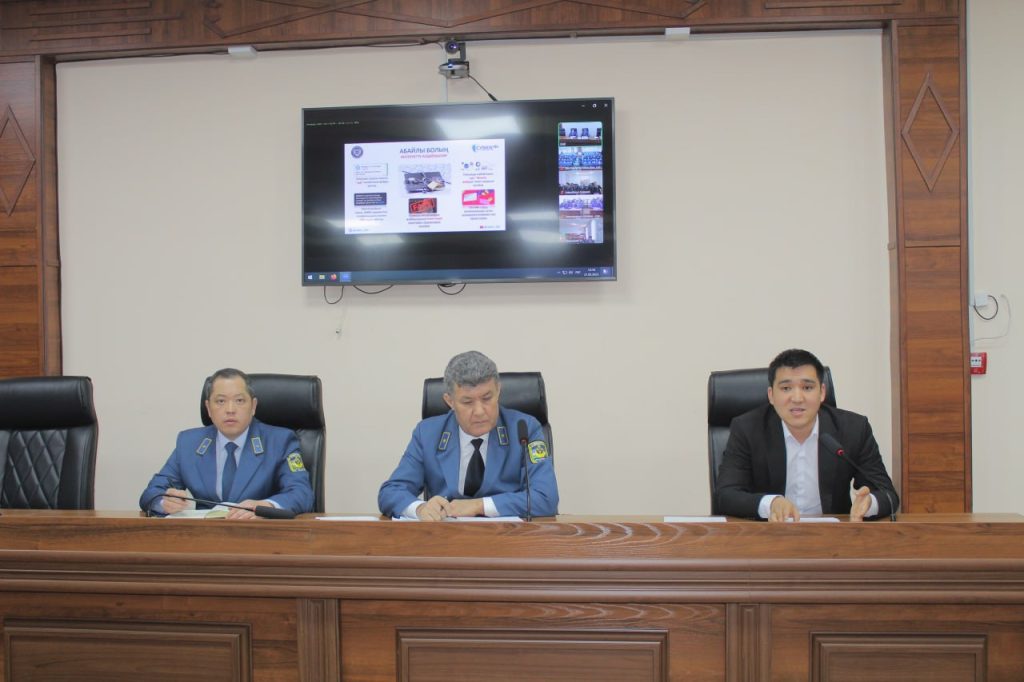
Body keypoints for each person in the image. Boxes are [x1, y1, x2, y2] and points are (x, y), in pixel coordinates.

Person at [715, 348, 899, 522]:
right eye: (786, 388)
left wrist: (869, 504)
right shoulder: (747, 429)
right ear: (771, 395)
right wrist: (771, 504)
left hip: (832, 538)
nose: (797, 398)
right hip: (770, 536)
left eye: (807, 388)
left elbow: (888, 494)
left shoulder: (853, 429)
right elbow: (725, 496)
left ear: (822, 392)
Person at [378, 351, 558, 520]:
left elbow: (546, 498)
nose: (479, 411)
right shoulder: (428, 434)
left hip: (508, 537)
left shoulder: (524, 429)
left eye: (487, 398)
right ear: (450, 401)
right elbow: (390, 492)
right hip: (446, 538)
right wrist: (420, 509)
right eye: (467, 402)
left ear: (498, 391)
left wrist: (479, 506)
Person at [139, 368, 314, 519]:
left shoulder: (280, 441)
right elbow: (151, 494)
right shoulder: (189, 443)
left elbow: (301, 493)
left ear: (253, 406)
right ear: (208, 408)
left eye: (239, 401)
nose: (230, 410)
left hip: (260, 537)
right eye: (220, 401)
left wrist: (266, 506)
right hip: (204, 539)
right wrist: (164, 502)